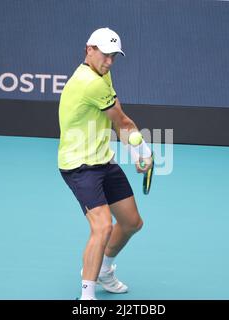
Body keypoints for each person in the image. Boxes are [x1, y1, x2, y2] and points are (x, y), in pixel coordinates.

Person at [57, 27, 153, 300]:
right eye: (105, 55)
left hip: (102, 160)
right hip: (78, 166)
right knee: (102, 226)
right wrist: (143, 151)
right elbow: (122, 121)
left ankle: (104, 270)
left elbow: (117, 117)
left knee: (132, 222)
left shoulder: (103, 73)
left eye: (114, 57)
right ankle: (86, 296)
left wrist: (137, 153)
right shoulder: (90, 82)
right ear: (89, 50)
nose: (109, 62)